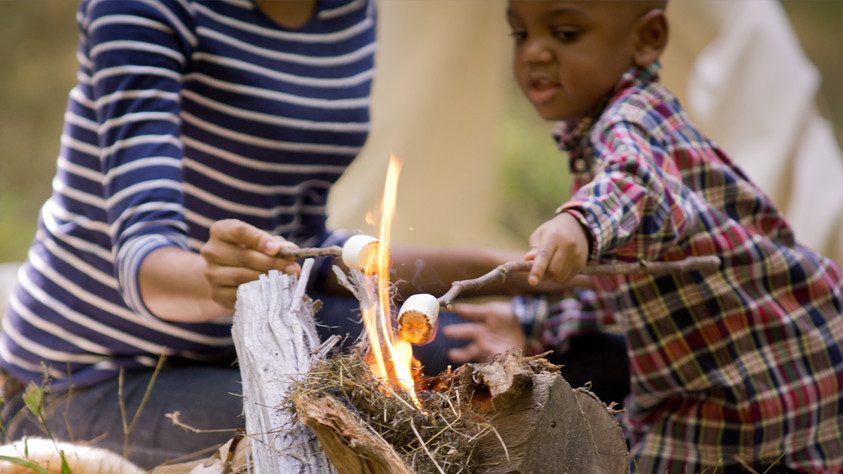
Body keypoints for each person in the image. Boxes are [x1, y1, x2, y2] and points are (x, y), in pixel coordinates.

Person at [0, 0, 534, 468]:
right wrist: (215, 281)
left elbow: (303, 243)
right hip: (85, 380)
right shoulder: (146, 7)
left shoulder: (346, 13)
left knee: (467, 366)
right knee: (351, 430)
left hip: (247, 338)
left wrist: (514, 270)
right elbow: (144, 255)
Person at [444, 1, 843, 472]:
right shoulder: (603, 131)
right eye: (521, 34)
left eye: (566, 34)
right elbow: (635, 281)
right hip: (726, 370)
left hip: (765, 376)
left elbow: (633, 184)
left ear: (647, 39)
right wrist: (534, 323)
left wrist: (581, 222)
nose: (535, 53)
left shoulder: (632, 123)